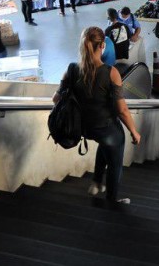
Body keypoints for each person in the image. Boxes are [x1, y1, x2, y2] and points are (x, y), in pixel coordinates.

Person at [55, 27, 140, 205]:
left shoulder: (71, 69)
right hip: (104, 127)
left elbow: (56, 99)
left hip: (84, 129)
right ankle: (112, 199)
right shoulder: (111, 73)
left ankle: (96, 183)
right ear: (102, 45)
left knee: (106, 142)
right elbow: (122, 110)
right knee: (115, 146)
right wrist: (134, 131)